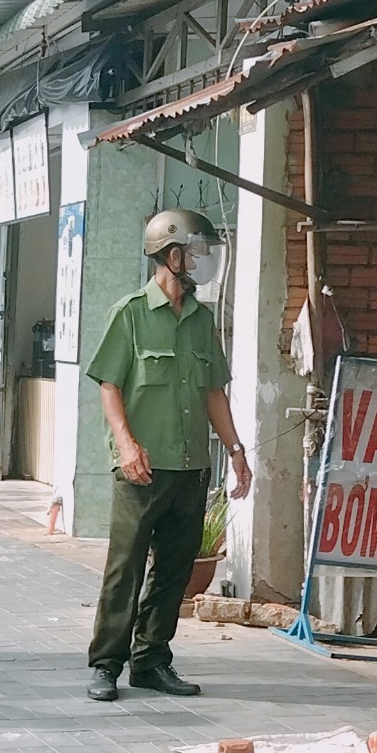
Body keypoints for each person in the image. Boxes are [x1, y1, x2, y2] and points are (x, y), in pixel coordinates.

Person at [83, 209, 253, 702]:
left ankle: (151, 659)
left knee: (175, 569)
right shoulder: (130, 313)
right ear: (171, 255)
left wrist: (236, 450)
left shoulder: (201, 320)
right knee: (125, 569)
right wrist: (126, 444)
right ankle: (105, 664)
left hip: (191, 466)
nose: (204, 262)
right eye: (196, 253)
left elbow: (213, 393)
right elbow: (110, 386)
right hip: (141, 468)